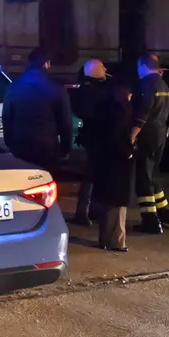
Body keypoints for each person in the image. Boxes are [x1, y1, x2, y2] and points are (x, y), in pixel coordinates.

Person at [2, 48, 74, 171]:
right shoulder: (56, 87)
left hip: (21, 146)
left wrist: (10, 143)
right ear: (46, 63)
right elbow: (65, 121)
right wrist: (65, 149)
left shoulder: (15, 86)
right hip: (47, 147)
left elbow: (7, 117)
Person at [131, 52, 169, 234]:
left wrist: (133, 134)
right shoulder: (163, 84)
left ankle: (151, 221)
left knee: (143, 178)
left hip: (147, 135)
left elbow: (143, 112)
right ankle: (164, 212)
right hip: (161, 134)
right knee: (153, 174)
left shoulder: (147, 84)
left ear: (143, 65)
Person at [91, 84, 134, 252]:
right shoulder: (121, 113)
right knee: (118, 205)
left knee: (108, 203)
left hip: (105, 162)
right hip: (118, 164)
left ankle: (106, 239)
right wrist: (128, 152)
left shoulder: (103, 111)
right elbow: (119, 137)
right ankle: (117, 241)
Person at [71, 59, 112, 226]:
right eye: (102, 67)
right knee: (91, 175)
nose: (105, 69)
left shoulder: (90, 88)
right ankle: (84, 212)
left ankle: (90, 210)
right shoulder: (90, 90)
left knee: (95, 175)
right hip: (95, 137)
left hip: (95, 136)